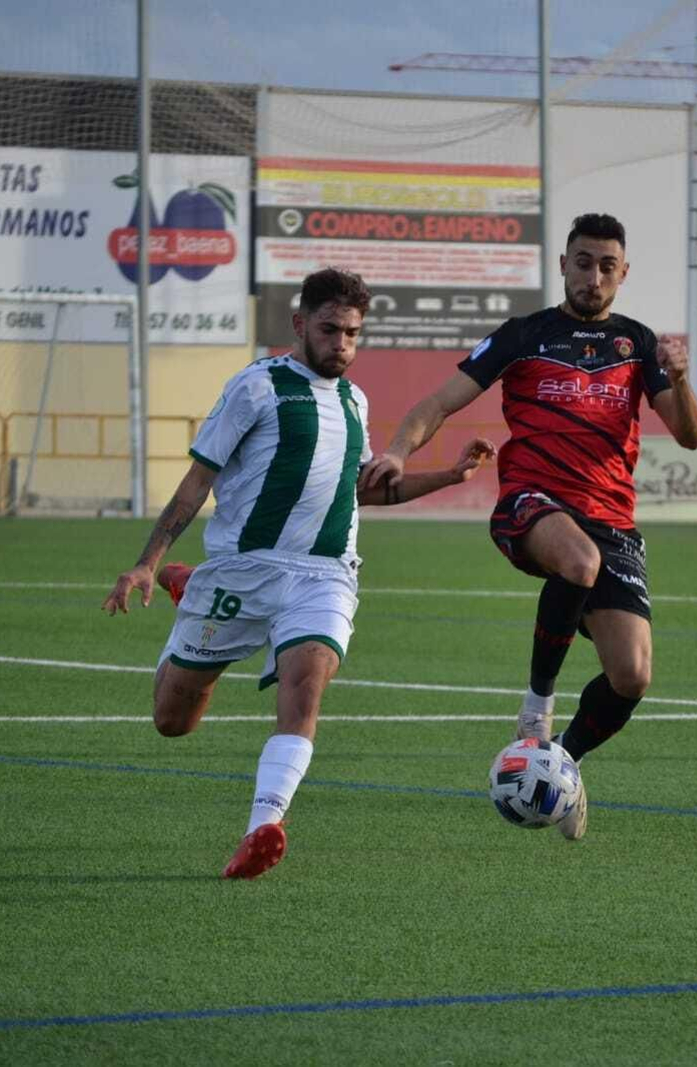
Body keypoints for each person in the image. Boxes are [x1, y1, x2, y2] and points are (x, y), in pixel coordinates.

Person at [101, 268, 494, 880]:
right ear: (300, 324)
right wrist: (147, 562)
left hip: (323, 575)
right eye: (330, 329)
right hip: (242, 572)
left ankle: (263, 826)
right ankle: (189, 583)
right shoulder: (255, 387)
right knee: (172, 722)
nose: (342, 343)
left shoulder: (355, 402)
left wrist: (449, 476)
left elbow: (361, 492)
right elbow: (198, 481)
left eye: (353, 333)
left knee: (306, 684)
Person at [359, 213, 697, 841]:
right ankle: (536, 709)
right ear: (564, 264)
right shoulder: (524, 335)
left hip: (613, 520)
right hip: (532, 499)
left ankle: (562, 764)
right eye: (583, 262)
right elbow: (439, 402)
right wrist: (400, 452)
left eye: (607, 266)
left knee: (632, 676)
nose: (593, 276)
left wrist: (679, 380)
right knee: (578, 560)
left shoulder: (639, 344)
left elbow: (689, 436)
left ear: (623, 273)